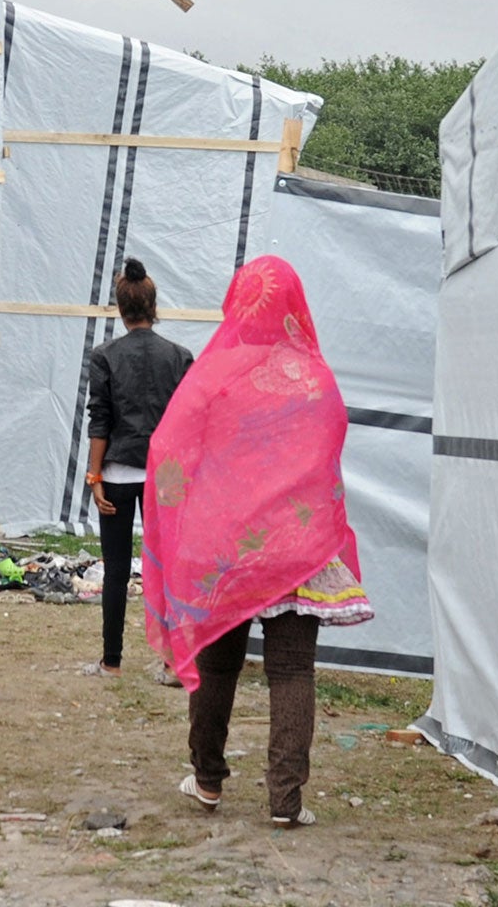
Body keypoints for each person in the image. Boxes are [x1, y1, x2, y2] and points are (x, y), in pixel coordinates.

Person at [143, 255, 373, 826]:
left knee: (219, 666)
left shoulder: (216, 373)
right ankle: (285, 802)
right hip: (296, 549)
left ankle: (207, 781)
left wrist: (189, 515)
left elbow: (171, 448)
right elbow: (330, 443)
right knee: (292, 671)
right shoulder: (313, 376)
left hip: (225, 550)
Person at [84, 257, 194, 676]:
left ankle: (111, 661)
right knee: (167, 569)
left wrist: (94, 477)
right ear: (153, 305)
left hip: (117, 474)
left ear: (120, 307)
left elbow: (101, 420)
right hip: (165, 476)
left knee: (116, 569)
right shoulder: (180, 356)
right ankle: (171, 660)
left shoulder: (105, 356)